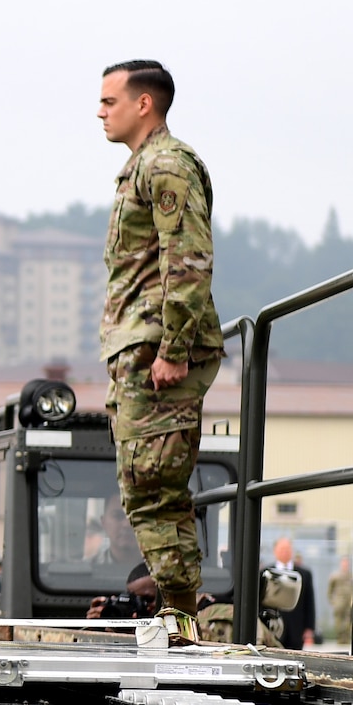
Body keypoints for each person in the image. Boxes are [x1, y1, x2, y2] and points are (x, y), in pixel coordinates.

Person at [96, 60, 222, 643]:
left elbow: (188, 257)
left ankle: (181, 619)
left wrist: (172, 348)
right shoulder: (141, 168)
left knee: (154, 488)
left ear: (144, 104)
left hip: (156, 350)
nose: (101, 111)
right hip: (138, 347)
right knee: (146, 487)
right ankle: (179, 617)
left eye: (110, 100)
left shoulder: (165, 165)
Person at [269, 537, 316, 651]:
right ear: (275, 551)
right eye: (282, 549)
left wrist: (309, 628)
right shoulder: (266, 573)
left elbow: (309, 601)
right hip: (273, 628)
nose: (285, 552)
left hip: (296, 629)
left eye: (287, 549)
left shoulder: (304, 574)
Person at [328, 555, 353, 651]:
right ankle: (340, 639)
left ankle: (346, 639)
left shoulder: (351, 576)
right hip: (339, 602)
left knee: (347, 621)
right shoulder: (335, 576)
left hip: (348, 603)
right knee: (339, 622)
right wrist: (333, 601)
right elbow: (330, 590)